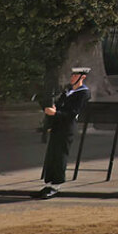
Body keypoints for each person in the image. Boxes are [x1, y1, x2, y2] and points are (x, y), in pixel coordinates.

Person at [36, 66, 91, 198]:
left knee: (60, 156)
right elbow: (60, 104)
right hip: (57, 126)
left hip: (67, 128)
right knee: (52, 155)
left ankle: (56, 184)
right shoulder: (68, 90)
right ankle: (48, 183)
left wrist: (56, 113)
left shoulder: (83, 93)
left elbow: (72, 113)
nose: (72, 78)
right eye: (72, 75)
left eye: (75, 76)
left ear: (82, 77)